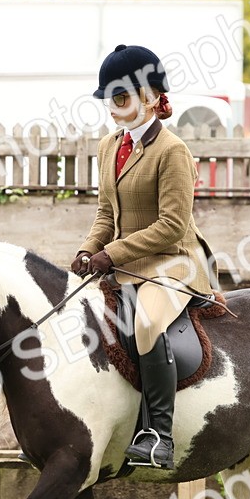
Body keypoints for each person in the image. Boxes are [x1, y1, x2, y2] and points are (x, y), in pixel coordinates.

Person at [71, 44, 215, 469]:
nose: (114, 109)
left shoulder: (172, 151)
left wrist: (110, 253)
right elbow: (105, 212)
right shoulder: (108, 147)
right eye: (110, 100)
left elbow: (172, 225)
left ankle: (159, 436)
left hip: (173, 262)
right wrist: (88, 249)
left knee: (148, 323)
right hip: (123, 263)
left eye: (122, 98)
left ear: (151, 96)